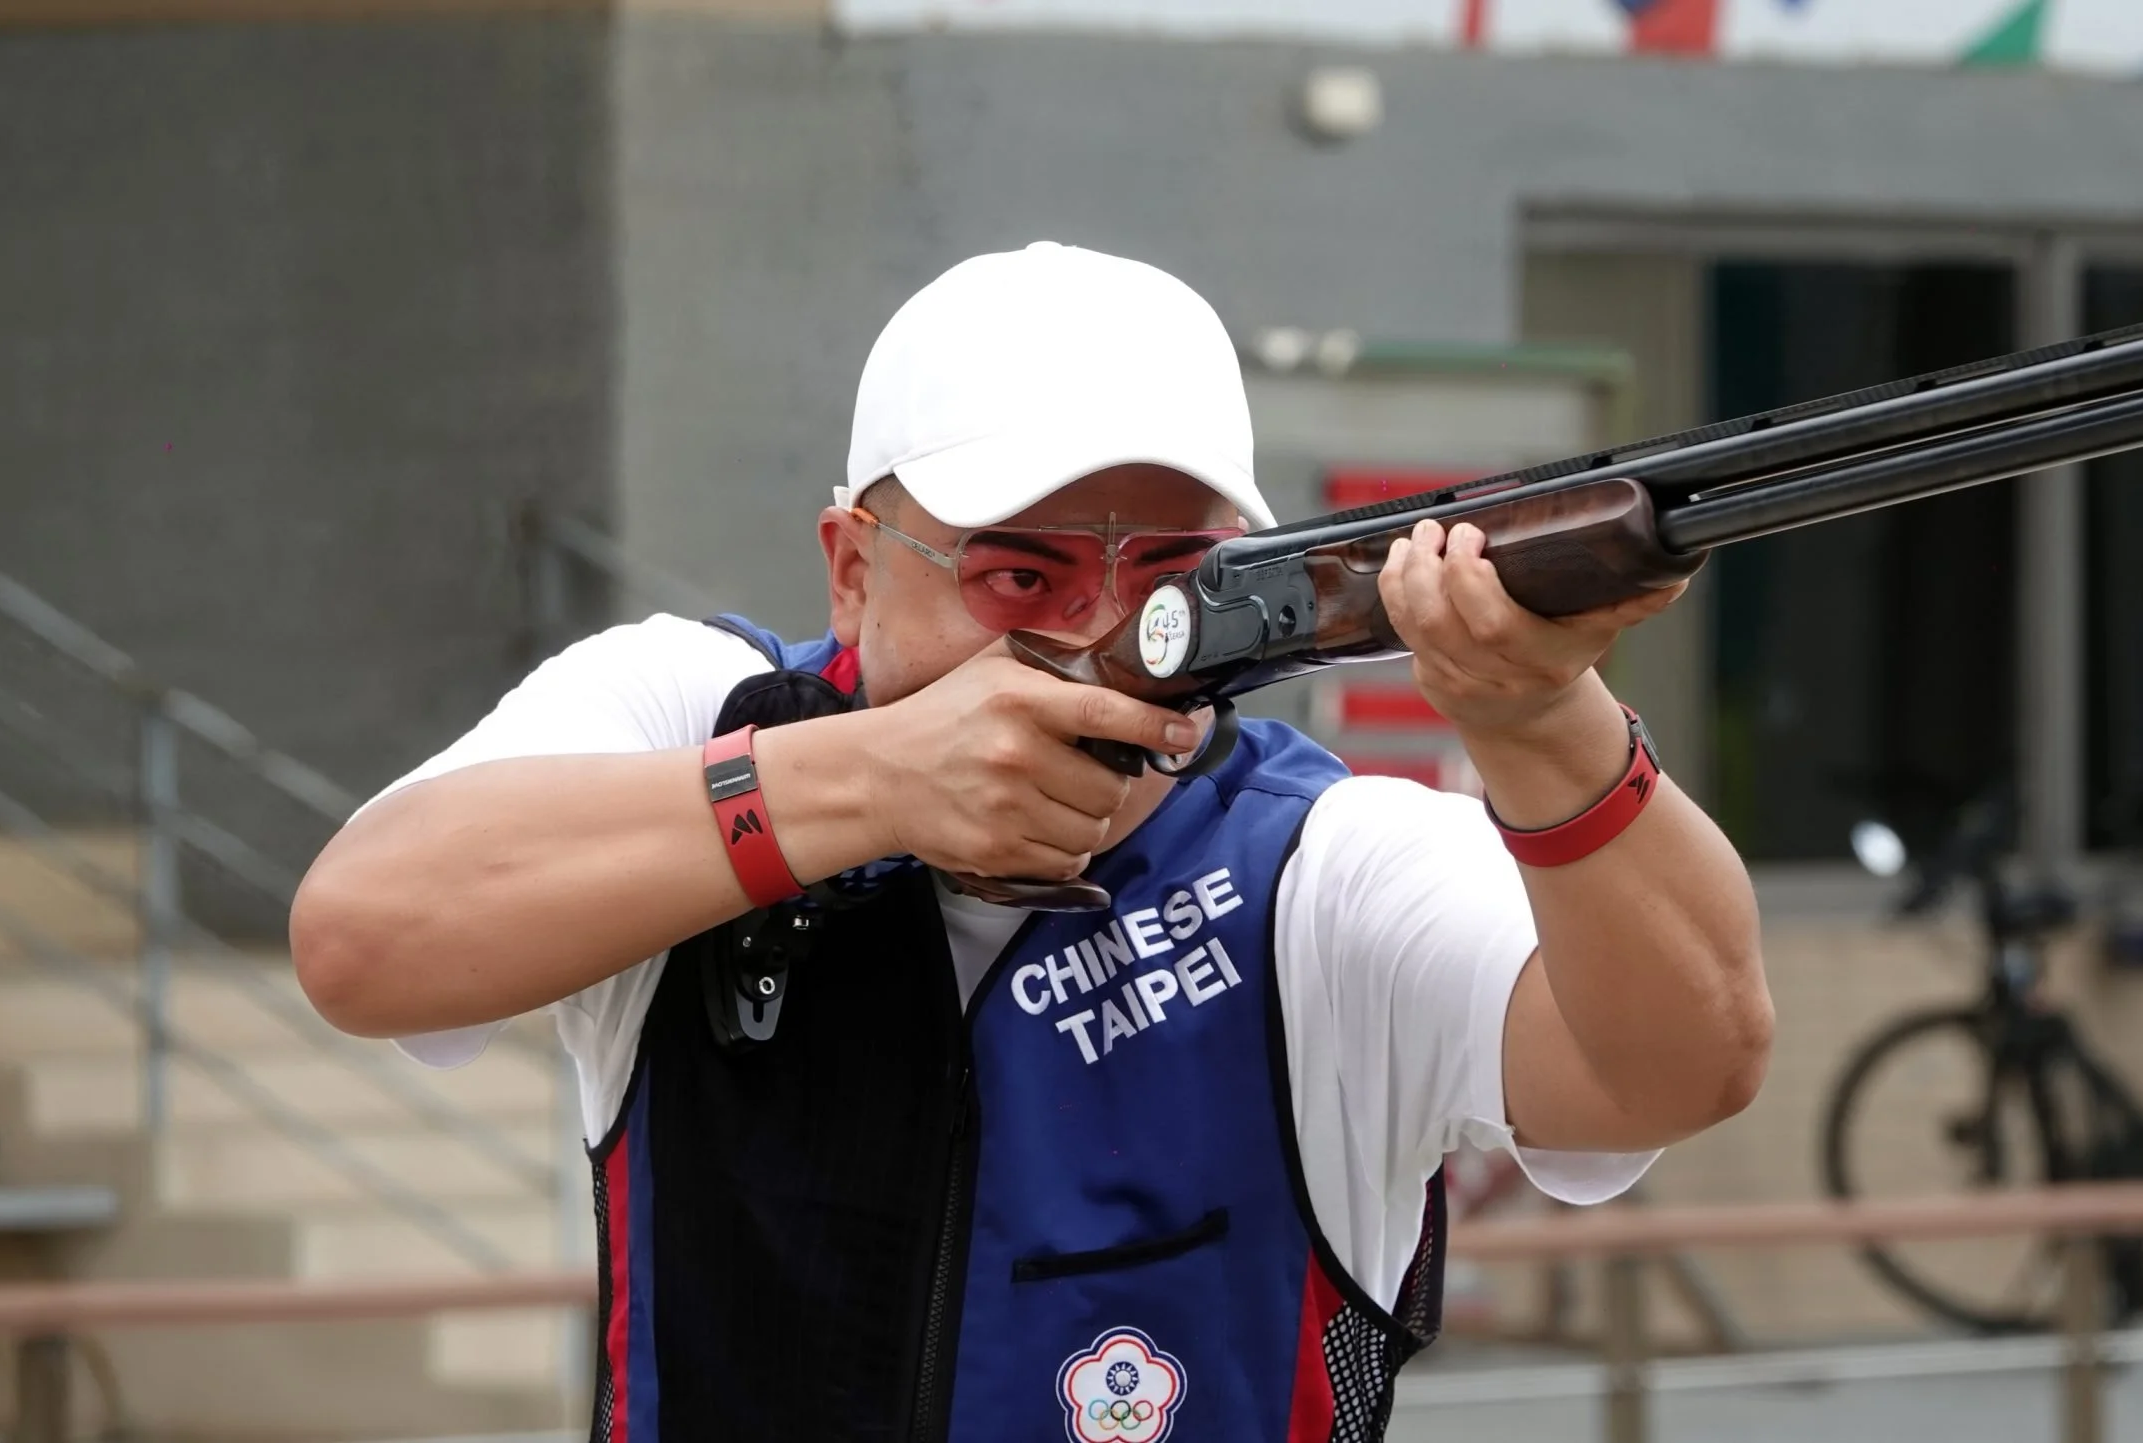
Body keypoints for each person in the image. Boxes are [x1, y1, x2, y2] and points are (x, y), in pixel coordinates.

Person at [292, 241, 1770, 1443]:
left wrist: (1543, 720)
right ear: (855, 573)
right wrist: (867, 785)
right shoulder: (697, 711)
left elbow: (1684, 1061)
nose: (1093, 632)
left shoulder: (1323, 864)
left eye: (1170, 576)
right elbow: (364, 937)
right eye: (1019, 570)